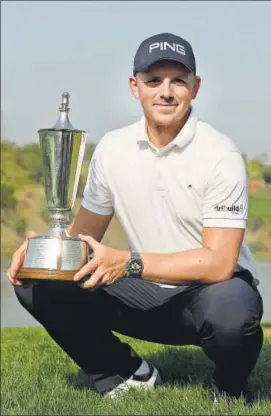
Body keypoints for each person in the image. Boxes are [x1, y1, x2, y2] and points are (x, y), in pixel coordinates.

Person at [7, 32, 263, 401]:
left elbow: (219, 263)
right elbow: (83, 238)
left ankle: (229, 386)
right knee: (37, 281)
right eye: (153, 80)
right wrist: (44, 252)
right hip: (143, 296)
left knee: (231, 316)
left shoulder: (220, 153)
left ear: (196, 87)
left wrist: (129, 263)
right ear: (134, 86)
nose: (166, 91)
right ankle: (124, 372)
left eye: (178, 80)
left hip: (208, 295)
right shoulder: (113, 149)